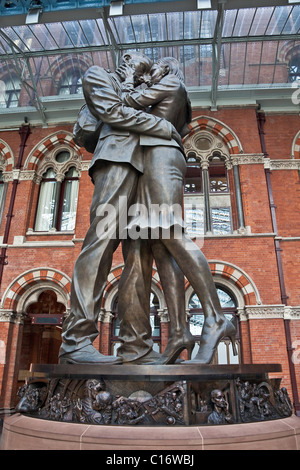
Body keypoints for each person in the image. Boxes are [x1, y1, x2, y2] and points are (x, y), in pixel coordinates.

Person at [58, 52, 184, 365]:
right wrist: (161, 127)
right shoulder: (98, 75)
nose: (146, 73)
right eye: (142, 66)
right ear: (126, 59)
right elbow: (112, 111)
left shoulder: (142, 90)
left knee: (140, 256)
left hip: (146, 170)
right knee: (100, 242)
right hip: (116, 160)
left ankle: (136, 347)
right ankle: (75, 341)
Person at [117, 57, 237, 364]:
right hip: (154, 159)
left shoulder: (171, 83)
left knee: (170, 232)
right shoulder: (171, 92)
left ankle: (215, 316)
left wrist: (131, 77)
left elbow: (126, 102)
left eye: (154, 69)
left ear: (168, 69)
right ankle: (181, 331)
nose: (149, 73)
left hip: (161, 157)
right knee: (160, 244)